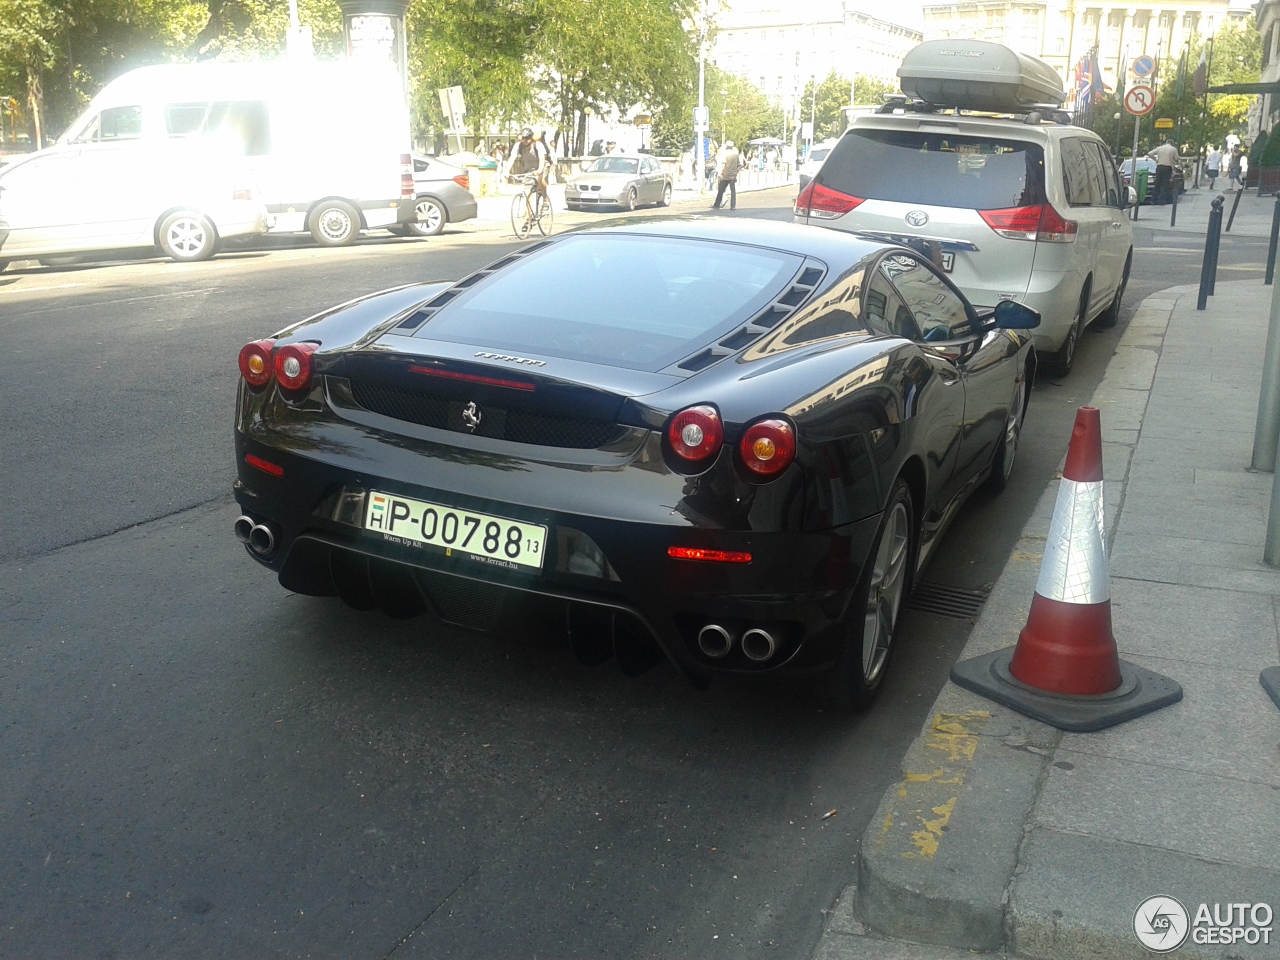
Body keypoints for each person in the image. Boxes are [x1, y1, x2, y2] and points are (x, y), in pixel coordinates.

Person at [509, 126, 551, 205]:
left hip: (542, 166)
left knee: (540, 179)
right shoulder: (518, 146)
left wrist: (539, 170)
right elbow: (512, 158)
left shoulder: (537, 144)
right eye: (523, 138)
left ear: (531, 138)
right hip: (528, 170)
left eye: (527, 138)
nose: (525, 140)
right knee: (527, 194)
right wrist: (506, 171)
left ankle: (545, 198)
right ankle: (529, 216)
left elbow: (542, 158)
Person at [712, 140, 742, 211]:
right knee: (733, 191)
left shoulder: (724, 154)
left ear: (726, 146)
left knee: (721, 190)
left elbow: (723, 165)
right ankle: (733, 206)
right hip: (733, 175)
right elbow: (739, 166)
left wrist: (721, 174)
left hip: (725, 175)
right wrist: (735, 172)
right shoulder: (735, 155)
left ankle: (717, 204)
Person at [1147, 138, 1178, 205]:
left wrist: (1156, 159)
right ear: (1172, 143)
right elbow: (1176, 158)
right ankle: (1161, 200)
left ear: (1166, 142)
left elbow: (1149, 153)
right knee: (1164, 184)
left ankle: (1153, 200)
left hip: (1159, 167)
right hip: (1167, 167)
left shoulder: (1159, 148)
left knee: (1157, 183)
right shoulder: (1173, 149)